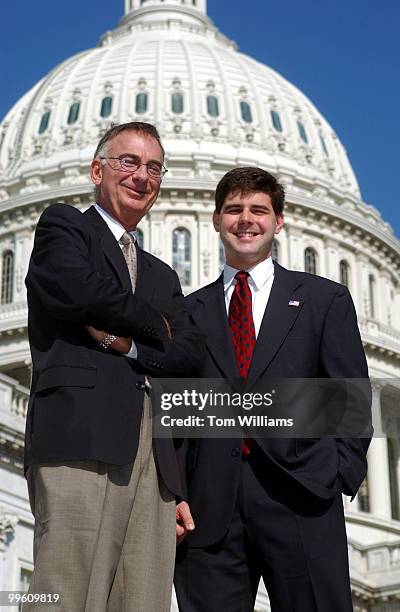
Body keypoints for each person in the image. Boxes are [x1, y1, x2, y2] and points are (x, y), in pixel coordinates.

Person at [24, 122, 204, 612]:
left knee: (143, 599)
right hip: (80, 436)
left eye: (153, 168)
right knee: (64, 592)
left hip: (153, 455)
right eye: (128, 161)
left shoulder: (163, 274)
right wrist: (156, 327)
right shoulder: (63, 226)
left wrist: (126, 344)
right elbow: (74, 288)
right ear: (96, 169)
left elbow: (187, 356)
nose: (141, 176)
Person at [174, 167, 371, 611]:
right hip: (211, 506)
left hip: (301, 495)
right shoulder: (188, 312)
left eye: (259, 210)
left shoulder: (324, 300)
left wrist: (334, 474)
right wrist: (175, 493)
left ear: (278, 221)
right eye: (234, 209)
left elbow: (351, 401)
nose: (246, 220)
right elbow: (178, 414)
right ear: (216, 220)